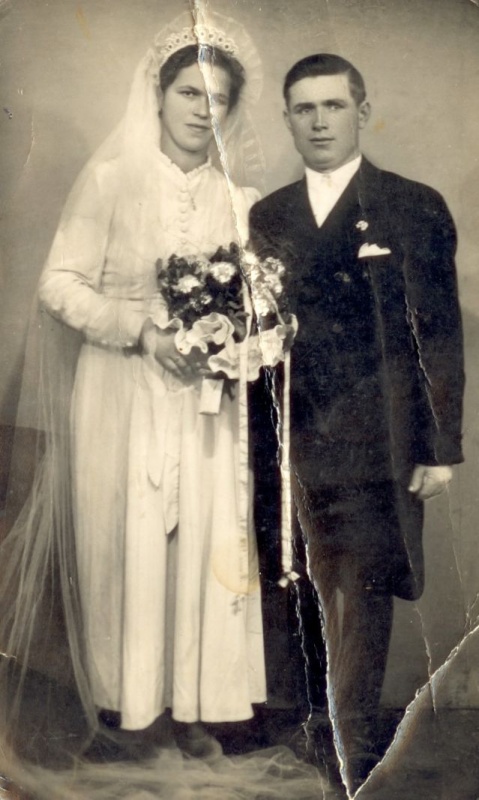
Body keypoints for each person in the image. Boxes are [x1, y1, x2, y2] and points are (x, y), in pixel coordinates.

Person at [0, 11, 267, 760]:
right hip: (119, 388)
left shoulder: (240, 202)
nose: (201, 110)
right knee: (127, 543)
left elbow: (255, 306)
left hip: (205, 401)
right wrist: (141, 331)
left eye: (217, 98)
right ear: (158, 94)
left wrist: (231, 342)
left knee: (204, 542)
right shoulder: (112, 181)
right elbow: (59, 283)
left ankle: (195, 709)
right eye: (188, 93)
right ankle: (134, 712)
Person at [249, 53, 464, 793]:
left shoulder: (413, 205)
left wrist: (441, 447)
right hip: (296, 438)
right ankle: (320, 734)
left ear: (361, 112)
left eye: (333, 106)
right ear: (287, 119)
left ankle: (354, 753)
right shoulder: (268, 215)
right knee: (303, 590)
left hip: (382, 439)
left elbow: (439, 332)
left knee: (362, 597)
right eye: (304, 109)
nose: (319, 122)